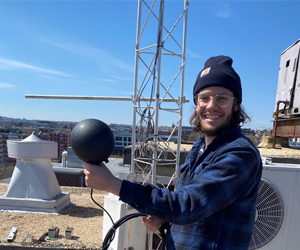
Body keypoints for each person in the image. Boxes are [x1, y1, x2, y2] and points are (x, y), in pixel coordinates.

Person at [84, 55, 262, 250]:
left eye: (222, 99)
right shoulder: (199, 147)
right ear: (196, 103)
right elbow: (194, 211)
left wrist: (114, 185)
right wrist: (164, 219)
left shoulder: (240, 154)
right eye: (204, 98)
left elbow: (189, 205)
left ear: (236, 105)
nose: (211, 105)